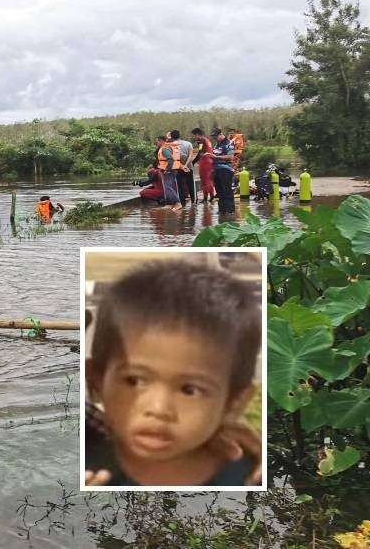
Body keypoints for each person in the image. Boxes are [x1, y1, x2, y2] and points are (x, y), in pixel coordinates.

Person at [84, 260, 261, 486]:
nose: (159, 409)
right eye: (134, 381)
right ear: (96, 381)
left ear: (235, 402)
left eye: (190, 390)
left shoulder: (250, 476)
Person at [210, 128, 236, 216]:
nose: (215, 138)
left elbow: (230, 156)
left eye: (216, 136)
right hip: (216, 170)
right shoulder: (217, 144)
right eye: (213, 137)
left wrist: (216, 157)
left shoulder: (228, 143)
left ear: (221, 134)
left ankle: (229, 210)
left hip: (225, 169)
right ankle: (222, 210)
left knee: (226, 190)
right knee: (219, 191)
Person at [156, 133, 182, 212]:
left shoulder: (165, 149)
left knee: (168, 187)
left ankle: (177, 203)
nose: (157, 143)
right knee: (167, 186)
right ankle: (170, 204)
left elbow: (170, 159)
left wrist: (167, 169)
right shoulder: (167, 147)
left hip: (169, 170)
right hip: (170, 169)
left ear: (161, 141)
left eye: (157, 141)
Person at [170, 129, 195, 205]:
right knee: (191, 185)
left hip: (177, 169)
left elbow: (174, 158)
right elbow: (190, 156)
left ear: (171, 137)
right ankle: (194, 202)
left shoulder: (171, 146)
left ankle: (182, 203)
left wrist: (182, 166)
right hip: (189, 168)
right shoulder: (188, 144)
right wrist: (186, 165)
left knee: (179, 186)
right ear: (179, 135)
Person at [191, 127, 215, 204]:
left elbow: (200, 152)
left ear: (198, 135)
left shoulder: (202, 140)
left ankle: (205, 198)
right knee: (209, 180)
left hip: (205, 161)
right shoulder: (207, 140)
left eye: (194, 136)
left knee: (204, 180)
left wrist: (193, 162)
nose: (193, 137)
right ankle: (211, 196)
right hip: (210, 161)